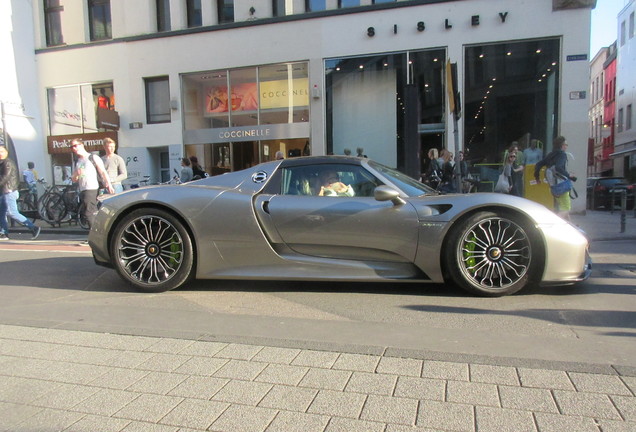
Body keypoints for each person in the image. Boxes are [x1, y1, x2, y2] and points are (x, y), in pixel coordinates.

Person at [0, 146, 41, 240]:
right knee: (1, 213)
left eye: (2, 151)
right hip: (3, 191)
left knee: (12, 212)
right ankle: (3, 233)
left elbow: (4, 177)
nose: (0, 153)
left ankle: (33, 228)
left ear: (6, 152)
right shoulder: (2, 163)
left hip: (8, 191)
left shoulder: (7, 163)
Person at [71, 139, 112, 229]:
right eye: (72, 146)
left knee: (89, 212)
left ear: (81, 145)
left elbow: (103, 172)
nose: (74, 148)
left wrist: (109, 184)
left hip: (92, 187)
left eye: (75, 145)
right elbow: (74, 179)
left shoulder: (92, 157)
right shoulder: (77, 161)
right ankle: (98, 233)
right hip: (83, 188)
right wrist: (76, 174)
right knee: (93, 211)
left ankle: (94, 235)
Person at [534, 136, 577, 220]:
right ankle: (554, 225)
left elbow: (538, 165)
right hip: (562, 186)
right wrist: (569, 175)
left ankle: (570, 228)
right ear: (562, 145)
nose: (566, 146)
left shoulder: (550, 155)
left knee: (562, 207)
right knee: (566, 209)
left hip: (553, 187)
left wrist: (537, 178)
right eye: (566, 144)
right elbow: (558, 167)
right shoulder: (562, 154)